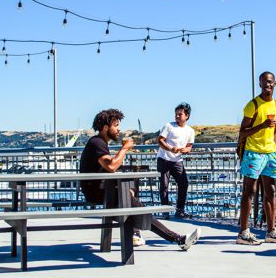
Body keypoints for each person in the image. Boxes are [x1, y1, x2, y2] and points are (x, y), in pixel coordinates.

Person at [79, 108, 200, 251]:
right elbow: (111, 166)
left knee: (132, 200)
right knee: (138, 209)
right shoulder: (97, 143)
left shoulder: (99, 142)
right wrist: (124, 149)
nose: (119, 130)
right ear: (106, 127)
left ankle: (138, 233)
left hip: (103, 190)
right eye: (116, 125)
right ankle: (177, 239)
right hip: (98, 193)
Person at [236, 71, 276, 245]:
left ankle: (271, 231)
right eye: (263, 82)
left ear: (275, 83)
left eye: (270, 82)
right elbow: (243, 132)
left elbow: (275, 130)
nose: (267, 85)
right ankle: (243, 233)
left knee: (271, 191)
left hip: (270, 153)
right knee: (249, 191)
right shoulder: (252, 105)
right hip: (253, 152)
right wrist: (261, 125)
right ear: (260, 84)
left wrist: (275, 149)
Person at [157, 102, 195, 219]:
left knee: (184, 183)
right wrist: (170, 148)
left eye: (180, 114)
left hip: (178, 160)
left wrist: (186, 150)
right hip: (164, 159)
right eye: (176, 114)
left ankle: (180, 210)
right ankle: (165, 211)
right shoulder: (169, 126)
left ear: (187, 116)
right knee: (164, 186)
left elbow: (189, 146)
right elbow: (160, 140)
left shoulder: (190, 131)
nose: (177, 116)